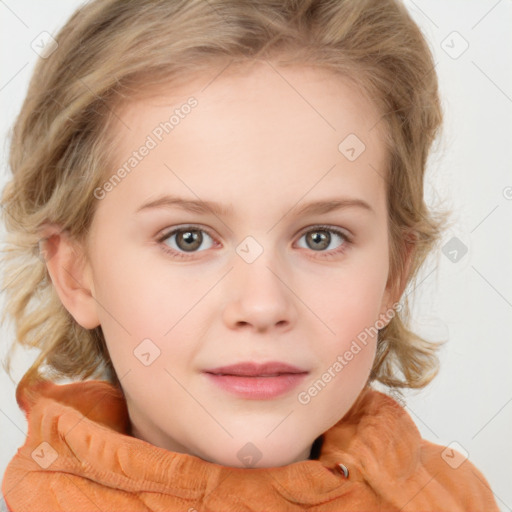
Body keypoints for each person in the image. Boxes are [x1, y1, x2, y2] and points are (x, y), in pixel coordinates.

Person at [0, 0, 500, 510]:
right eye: (187, 238)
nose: (262, 306)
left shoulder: (453, 496)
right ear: (75, 274)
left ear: (394, 274)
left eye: (320, 237)